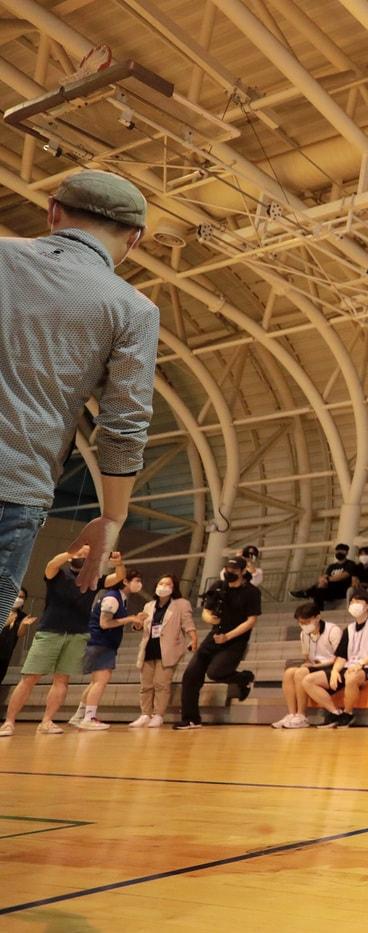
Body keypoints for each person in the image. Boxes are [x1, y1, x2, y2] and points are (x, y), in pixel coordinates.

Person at [0, 171, 158, 617]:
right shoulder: (133, 310)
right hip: (14, 489)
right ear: (136, 238)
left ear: (53, 212)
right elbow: (124, 425)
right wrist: (112, 518)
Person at [0, 548, 115, 737]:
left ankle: (47, 721)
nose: (82, 557)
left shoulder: (92, 578)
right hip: (50, 631)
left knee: (62, 680)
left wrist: (117, 564)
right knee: (30, 678)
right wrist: (72, 552)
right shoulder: (59, 574)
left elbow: (117, 578)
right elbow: (51, 565)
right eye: (79, 555)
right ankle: (9, 722)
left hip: (77, 634)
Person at [174, 556, 261, 730]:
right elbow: (206, 611)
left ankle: (244, 678)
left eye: (234, 570)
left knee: (216, 672)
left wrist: (228, 637)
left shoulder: (251, 592)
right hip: (215, 635)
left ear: (243, 572)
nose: (230, 573)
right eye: (228, 569)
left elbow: (251, 621)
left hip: (236, 640)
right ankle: (191, 719)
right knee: (191, 674)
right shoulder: (219, 586)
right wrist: (210, 619)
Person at [71, 566, 143, 730]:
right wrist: (130, 618)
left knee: (95, 682)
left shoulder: (120, 598)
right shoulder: (112, 598)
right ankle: (89, 717)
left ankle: (79, 716)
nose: (140, 584)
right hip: (101, 643)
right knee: (100, 682)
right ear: (125, 581)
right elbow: (105, 623)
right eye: (137, 580)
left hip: (102, 643)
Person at [304, 589, 368, 729]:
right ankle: (335, 713)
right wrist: (335, 671)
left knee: (351, 677)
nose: (354, 604)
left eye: (358, 601)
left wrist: (361, 663)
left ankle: (348, 713)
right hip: (349, 667)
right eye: (352, 602)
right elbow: (342, 656)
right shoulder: (349, 629)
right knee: (308, 680)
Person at [130, 575, 196, 729]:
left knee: (161, 684)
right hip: (149, 647)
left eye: (168, 584)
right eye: (161, 583)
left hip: (168, 649)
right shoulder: (149, 605)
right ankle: (145, 714)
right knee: (146, 685)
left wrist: (193, 638)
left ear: (174, 588)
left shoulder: (180, 604)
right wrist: (138, 622)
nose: (163, 586)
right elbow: (141, 626)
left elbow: (187, 623)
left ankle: (158, 714)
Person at [272, 602, 341, 730]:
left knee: (300, 672)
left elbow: (340, 658)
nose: (304, 625)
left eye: (307, 622)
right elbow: (307, 657)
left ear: (317, 617)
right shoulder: (304, 634)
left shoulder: (333, 630)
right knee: (289, 673)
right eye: (301, 623)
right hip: (315, 666)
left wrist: (313, 666)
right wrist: (309, 664)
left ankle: (301, 715)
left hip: (332, 666)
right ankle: (292, 714)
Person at [290, 544, 358, 609]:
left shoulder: (350, 564)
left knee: (321, 587)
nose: (338, 553)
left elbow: (343, 576)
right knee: (319, 590)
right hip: (329, 590)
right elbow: (324, 576)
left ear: (346, 553)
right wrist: (322, 580)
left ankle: (306, 593)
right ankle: (318, 608)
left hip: (342, 589)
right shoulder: (332, 566)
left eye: (341, 551)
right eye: (337, 551)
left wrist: (327, 579)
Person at [0, 586, 34, 684]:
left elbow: (20, 634)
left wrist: (24, 624)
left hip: (6, 653)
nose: (18, 599)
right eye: (17, 596)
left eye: (22, 597)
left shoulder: (23, 616)